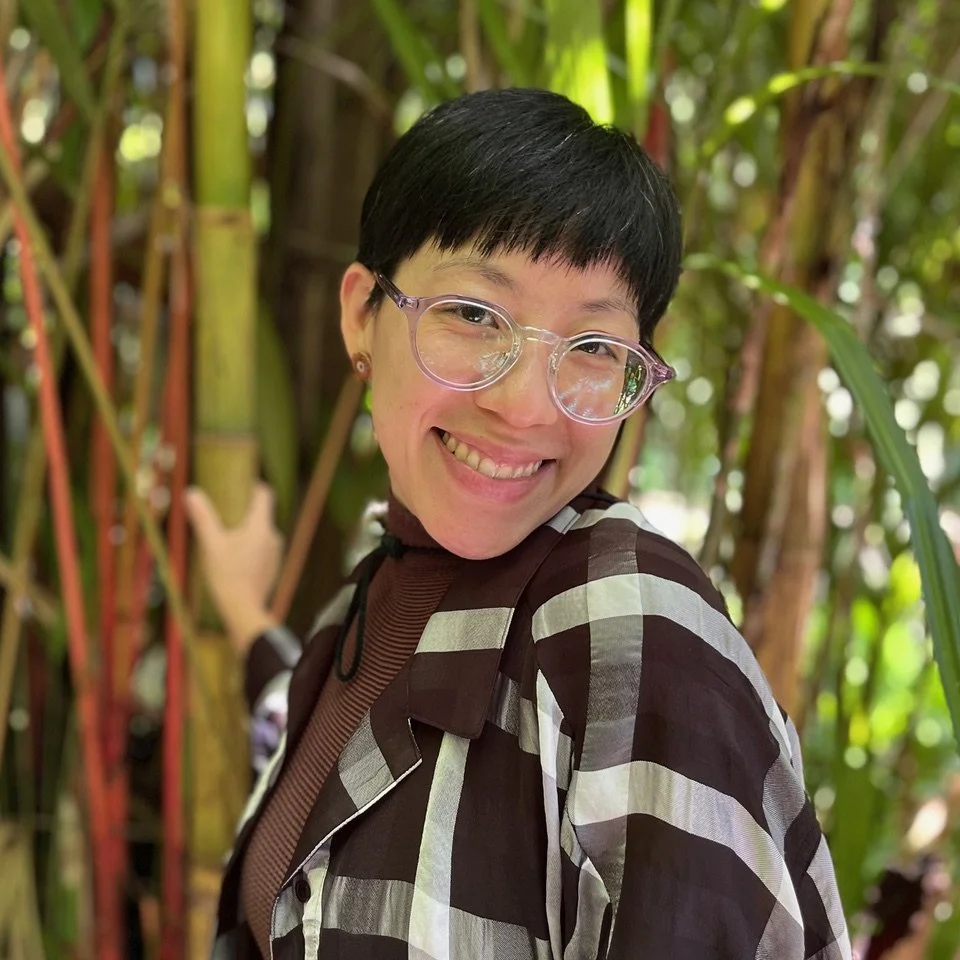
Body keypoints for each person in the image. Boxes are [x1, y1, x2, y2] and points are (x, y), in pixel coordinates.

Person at [186, 88, 851, 959]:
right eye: (473, 314)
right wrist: (247, 620)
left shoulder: (628, 622)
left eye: (593, 348)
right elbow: (328, 752)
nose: (524, 407)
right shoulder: (370, 600)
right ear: (361, 314)